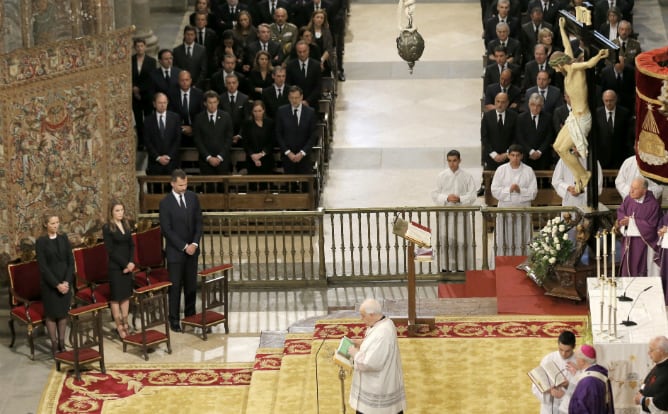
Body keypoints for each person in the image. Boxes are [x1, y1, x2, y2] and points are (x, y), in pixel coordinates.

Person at [550, 17, 609, 193]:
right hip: (573, 117)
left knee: (563, 148)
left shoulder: (574, 68)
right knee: (557, 147)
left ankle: (583, 175)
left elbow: (588, 64)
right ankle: (579, 176)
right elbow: (566, 44)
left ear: (560, 64)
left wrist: (598, 55)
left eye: (555, 67)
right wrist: (561, 28)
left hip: (583, 118)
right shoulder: (567, 69)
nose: (554, 70)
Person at [159, 169, 203, 332]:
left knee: (191, 286)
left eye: (185, 184)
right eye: (180, 185)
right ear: (172, 183)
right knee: (175, 287)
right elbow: (167, 230)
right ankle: (174, 319)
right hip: (176, 253)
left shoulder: (193, 198)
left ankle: (191, 316)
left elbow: (199, 222)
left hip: (193, 251)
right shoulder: (165, 203)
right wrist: (184, 246)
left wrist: (194, 244)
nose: (184, 187)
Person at [348, 298, 407, 414]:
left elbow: (371, 363)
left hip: (378, 391)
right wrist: (362, 343)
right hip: (381, 383)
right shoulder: (384, 322)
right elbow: (375, 348)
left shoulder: (383, 333)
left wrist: (355, 353)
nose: (361, 319)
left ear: (372, 314)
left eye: (363, 316)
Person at [430, 150, 478, 272]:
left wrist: (460, 199)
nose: (452, 164)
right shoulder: (441, 176)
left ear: (460, 160)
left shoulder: (467, 176)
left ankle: (462, 267)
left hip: (462, 214)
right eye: (450, 161)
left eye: (455, 161)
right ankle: (445, 266)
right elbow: (434, 194)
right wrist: (446, 198)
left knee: (462, 240)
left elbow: (473, 195)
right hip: (446, 215)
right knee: (446, 240)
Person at [35, 213, 74, 356]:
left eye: (57, 222)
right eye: (52, 223)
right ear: (46, 224)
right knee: (52, 315)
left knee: (63, 314)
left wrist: (66, 282)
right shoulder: (41, 242)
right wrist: (57, 284)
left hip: (65, 282)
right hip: (50, 285)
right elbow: (43, 267)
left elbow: (71, 262)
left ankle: (62, 344)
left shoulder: (64, 238)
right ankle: (54, 344)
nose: (56, 225)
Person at [491, 144, 538, 255]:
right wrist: (509, 190)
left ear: (521, 156)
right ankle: (503, 262)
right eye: (512, 155)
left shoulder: (528, 170)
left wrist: (520, 190)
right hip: (505, 209)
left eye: (517, 155)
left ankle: (523, 261)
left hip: (523, 209)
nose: (515, 158)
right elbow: (494, 190)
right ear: (508, 155)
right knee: (503, 235)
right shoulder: (501, 170)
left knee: (522, 236)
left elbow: (534, 192)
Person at [102, 200, 136, 340]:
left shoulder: (126, 224)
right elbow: (111, 251)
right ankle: (119, 326)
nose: (120, 213)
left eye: (121, 210)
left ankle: (126, 324)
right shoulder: (107, 227)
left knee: (126, 295)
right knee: (116, 297)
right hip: (116, 268)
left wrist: (131, 262)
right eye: (117, 210)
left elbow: (131, 245)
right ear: (111, 212)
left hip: (128, 266)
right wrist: (125, 265)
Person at [616, 177, 660, 277]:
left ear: (644, 191)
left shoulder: (653, 205)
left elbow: (652, 228)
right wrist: (623, 222)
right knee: (627, 269)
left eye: (635, 188)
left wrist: (631, 222)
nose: (631, 190)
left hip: (643, 244)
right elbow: (621, 212)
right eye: (631, 187)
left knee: (640, 270)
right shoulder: (628, 199)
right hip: (628, 241)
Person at [531, 330, 578, 414]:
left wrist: (567, 387)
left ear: (574, 346)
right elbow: (536, 384)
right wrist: (547, 391)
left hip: (568, 409)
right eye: (561, 349)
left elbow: (583, 391)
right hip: (549, 408)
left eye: (567, 351)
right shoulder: (548, 359)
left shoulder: (579, 362)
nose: (563, 354)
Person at [275, 85, 318, 174]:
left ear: (301, 97)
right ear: (288, 97)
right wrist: (288, 152)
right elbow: (278, 134)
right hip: (288, 157)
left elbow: (313, 135)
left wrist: (302, 153)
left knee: (305, 186)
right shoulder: (281, 111)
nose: (294, 100)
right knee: (290, 186)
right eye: (292, 98)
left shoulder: (310, 112)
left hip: (304, 157)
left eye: (297, 98)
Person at [193, 90, 234, 174]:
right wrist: (208, 157)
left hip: (222, 160)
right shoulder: (198, 118)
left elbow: (229, 138)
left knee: (223, 186)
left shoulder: (226, 117)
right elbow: (197, 140)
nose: (212, 105)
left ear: (218, 102)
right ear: (205, 103)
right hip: (206, 161)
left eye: (214, 102)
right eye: (210, 103)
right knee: (207, 186)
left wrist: (220, 157)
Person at [568, 344, 614, 413]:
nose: (575, 360)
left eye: (576, 358)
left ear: (582, 361)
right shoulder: (601, 372)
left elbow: (579, 408)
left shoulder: (587, 382)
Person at [144, 92, 182, 176]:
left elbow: (177, 139)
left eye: (164, 103)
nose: (162, 105)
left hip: (172, 163)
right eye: (160, 103)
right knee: (155, 188)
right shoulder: (148, 120)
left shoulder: (175, 118)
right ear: (154, 104)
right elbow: (147, 141)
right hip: (155, 163)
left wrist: (168, 156)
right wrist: (158, 158)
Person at [516, 92, 555, 170]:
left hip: (543, 156)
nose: (535, 108)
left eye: (538, 106)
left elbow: (549, 136)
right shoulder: (521, 118)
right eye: (533, 105)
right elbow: (519, 137)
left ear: (542, 106)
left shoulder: (548, 117)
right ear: (529, 104)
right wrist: (530, 151)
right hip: (526, 156)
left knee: (544, 181)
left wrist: (539, 151)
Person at [634, 336, 668, 412]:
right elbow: (646, 381)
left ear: (661, 351)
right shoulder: (658, 365)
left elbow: (662, 401)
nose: (648, 353)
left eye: (651, 350)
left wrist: (641, 400)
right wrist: (641, 391)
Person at [242, 100, 275, 174]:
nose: (257, 113)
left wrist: (261, 154)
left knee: (266, 184)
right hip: (251, 159)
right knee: (252, 184)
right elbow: (245, 142)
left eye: (259, 111)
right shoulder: (247, 124)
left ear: (263, 110)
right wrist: (253, 156)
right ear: (252, 112)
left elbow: (272, 142)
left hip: (267, 159)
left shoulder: (270, 123)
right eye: (255, 111)